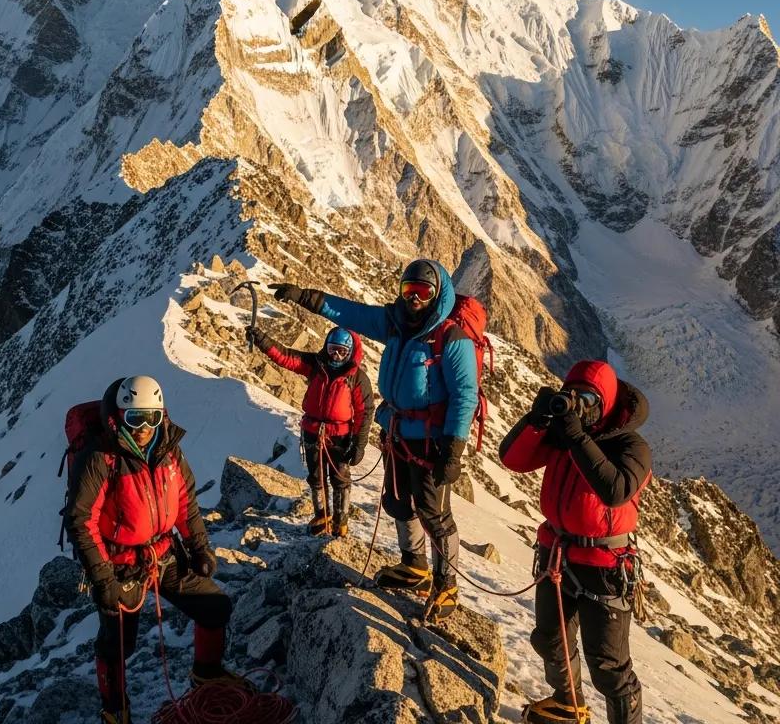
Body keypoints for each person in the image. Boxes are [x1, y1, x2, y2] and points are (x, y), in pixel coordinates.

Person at [269, 259, 478, 621]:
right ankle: (414, 565)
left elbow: (465, 394)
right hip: (398, 433)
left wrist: (454, 449)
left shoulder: (449, 338)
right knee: (398, 502)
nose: (413, 299)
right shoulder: (395, 324)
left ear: (437, 295)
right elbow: (350, 313)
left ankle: (447, 586)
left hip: (433, 442)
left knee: (434, 513)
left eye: (422, 292)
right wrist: (305, 298)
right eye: (407, 290)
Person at [65, 375, 246, 724]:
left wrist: (199, 548)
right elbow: (81, 521)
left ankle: (206, 672)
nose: (145, 427)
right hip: (119, 563)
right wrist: (103, 580)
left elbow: (185, 503)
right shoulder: (101, 458)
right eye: (136, 418)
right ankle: (115, 708)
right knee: (118, 642)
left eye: (152, 417)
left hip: (163, 554)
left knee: (215, 607)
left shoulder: (169, 450)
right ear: (118, 418)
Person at [499, 360, 651, 724]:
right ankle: (568, 702)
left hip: (605, 564)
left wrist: (576, 436)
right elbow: (513, 459)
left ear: (608, 403)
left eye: (589, 399)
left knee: (609, 668)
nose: (580, 406)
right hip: (558, 553)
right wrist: (535, 421)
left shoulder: (632, 445)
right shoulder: (564, 433)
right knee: (551, 639)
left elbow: (614, 490)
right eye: (574, 396)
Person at [246, 323, 374, 537]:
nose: (336, 355)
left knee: (340, 478)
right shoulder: (316, 364)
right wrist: (261, 339)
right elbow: (285, 357)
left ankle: (340, 522)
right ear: (326, 347)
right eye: (333, 349)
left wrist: (359, 444)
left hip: (340, 436)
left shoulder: (356, 377)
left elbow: (365, 411)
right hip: (313, 431)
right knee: (316, 477)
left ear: (350, 352)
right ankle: (321, 516)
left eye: (342, 351)